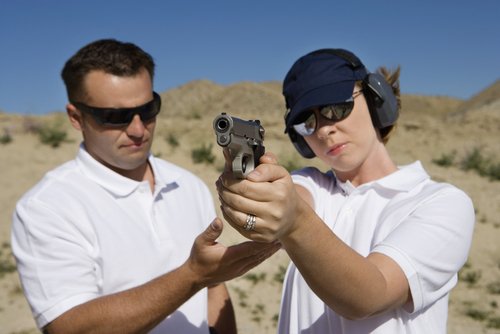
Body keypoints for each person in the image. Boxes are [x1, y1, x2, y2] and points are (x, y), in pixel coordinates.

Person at [11, 39, 280, 334]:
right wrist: (192, 275)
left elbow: (214, 292)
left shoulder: (187, 185)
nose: (138, 129)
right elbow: (71, 327)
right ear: (76, 117)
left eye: (148, 109)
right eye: (115, 116)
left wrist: (205, 278)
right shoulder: (46, 207)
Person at [216, 48, 475, 333]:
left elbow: (369, 296)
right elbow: (285, 198)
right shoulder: (312, 185)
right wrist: (251, 189)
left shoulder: (440, 203)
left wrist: (293, 220)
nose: (324, 130)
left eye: (336, 108)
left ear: (377, 100)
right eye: (308, 122)